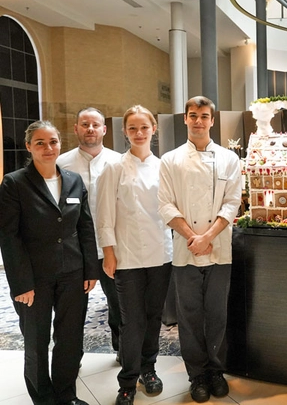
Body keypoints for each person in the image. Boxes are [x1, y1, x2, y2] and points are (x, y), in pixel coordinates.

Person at [0, 120, 99, 405]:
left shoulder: (73, 180)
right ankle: (43, 399)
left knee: (69, 340)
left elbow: (85, 227)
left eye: (53, 142)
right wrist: (21, 284)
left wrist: (90, 269)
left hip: (73, 272)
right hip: (34, 278)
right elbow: (9, 237)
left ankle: (66, 395)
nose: (48, 148)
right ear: (29, 146)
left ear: (60, 144)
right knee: (36, 342)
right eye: (40, 143)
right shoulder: (14, 183)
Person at [158, 96, 242, 403]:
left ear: (212, 120)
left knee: (217, 313)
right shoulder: (170, 159)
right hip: (185, 249)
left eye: (204, 116)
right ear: (184, 118)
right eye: (193, 115)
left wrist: (208, 236)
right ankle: (197, 376)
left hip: (218, 248)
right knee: (190, 315)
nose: (198, 121)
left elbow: (232, 202)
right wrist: (194, 237)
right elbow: (165, 203)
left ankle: (216, 371)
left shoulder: (229, 159)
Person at [96, 105, 173, 405]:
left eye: (144, 127)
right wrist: (108, 253)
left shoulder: (163, 166)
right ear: (125, 132)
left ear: (154, 129)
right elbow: (104, 215)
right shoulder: (114, 167)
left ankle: (149, 370)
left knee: (154, 318)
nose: (139, 133)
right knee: (132, 322)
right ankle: (127, 381)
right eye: (133, 128)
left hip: (160, 254)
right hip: (126, 258)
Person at [57, 107, 122, 362]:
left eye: (95, 124)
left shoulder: (118, 161)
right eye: (85, 124)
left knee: (118, 303)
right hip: (75, 249)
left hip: (111, 247)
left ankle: (121, 351)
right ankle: (72, 356)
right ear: (76, 128)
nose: (90, 129)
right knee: (73, 308)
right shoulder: (61, 163)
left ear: (104, 129)